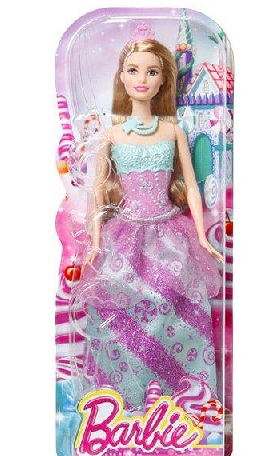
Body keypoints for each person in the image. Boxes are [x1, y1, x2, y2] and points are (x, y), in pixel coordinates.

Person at [70, 36, 223, 411]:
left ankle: (186, 399)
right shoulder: (111, 135)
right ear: (121, 77)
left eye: (152, 72)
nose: (142, 79)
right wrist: (94, 243)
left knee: (180, 305)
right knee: (118, 310)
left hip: (170, 234)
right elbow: (98, 191)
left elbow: (191, 185)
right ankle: (122, 401)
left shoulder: (173, 132)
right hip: (124, 236)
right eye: (134, 70)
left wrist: (202, 237)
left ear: (162, 80)